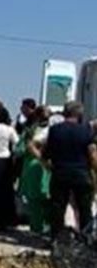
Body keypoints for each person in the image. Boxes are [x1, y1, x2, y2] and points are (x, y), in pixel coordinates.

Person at [42, 101, 97, 236]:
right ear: (79, 113)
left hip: (60, 172)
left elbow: (46, 153)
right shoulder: (86, 130)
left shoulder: (55, 130)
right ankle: (86, 237)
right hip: (81, 173)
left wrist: (49, 165)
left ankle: (56, 237)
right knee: (84, 208)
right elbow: (92, 154)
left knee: (57, 207)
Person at [18, 107, 54, 235]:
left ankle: (36, 227)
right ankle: (47, 225)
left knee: (34, 198)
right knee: (47, 196)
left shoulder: (30, 130)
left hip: (32, 164)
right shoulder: (54, 129)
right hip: (49, 165)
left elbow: (20, 149)